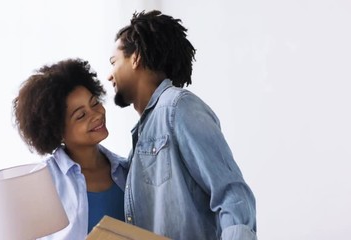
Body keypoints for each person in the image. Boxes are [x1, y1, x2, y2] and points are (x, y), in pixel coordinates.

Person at [107, 10, 257, 240]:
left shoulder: (178, 107)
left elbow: (232, 195)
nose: (110, 76)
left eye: (114, 62)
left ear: (135, 57)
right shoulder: (145, 131)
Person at [13, 59, 128, 239]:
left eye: (95, 103)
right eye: (81, 115)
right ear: (57, 130)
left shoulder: (126, 170)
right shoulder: (43, 181)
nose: (96, 115)